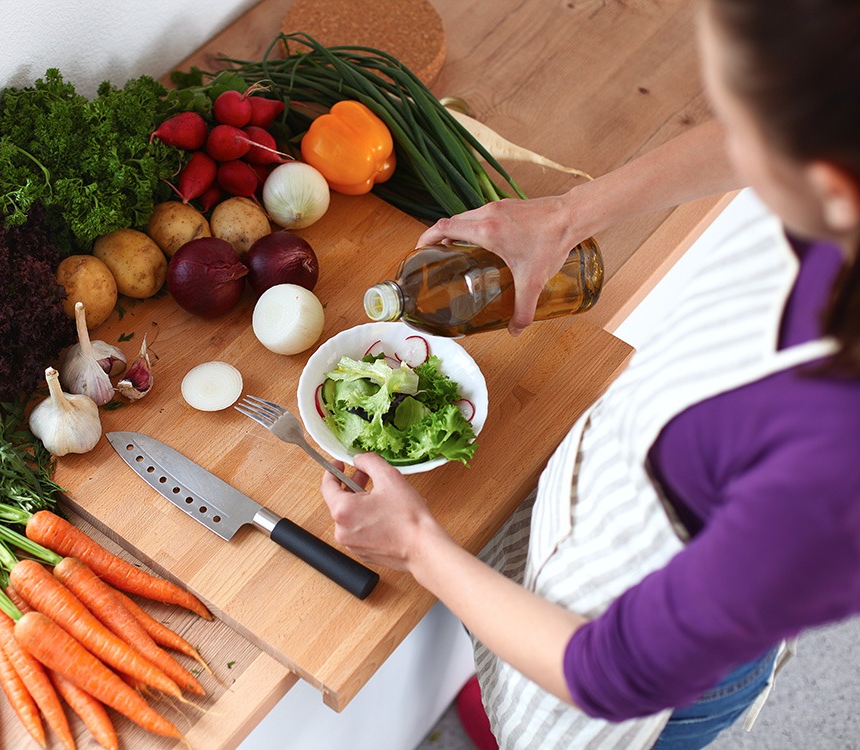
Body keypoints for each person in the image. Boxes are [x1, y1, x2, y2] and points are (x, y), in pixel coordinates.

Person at [319, 1, 860, 748]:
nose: (739, 139)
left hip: (644, 687)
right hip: (599, 518)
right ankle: (494, 699)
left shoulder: (833, 479)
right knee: (505, 676)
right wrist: (567, 214)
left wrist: (414, 544)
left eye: (749, 122)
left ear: (832, 181)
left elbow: (611, 673)